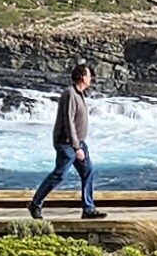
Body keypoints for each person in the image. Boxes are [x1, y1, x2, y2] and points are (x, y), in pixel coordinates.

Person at [30, 62, 103, 219]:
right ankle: (35, 203)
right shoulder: (70, 94)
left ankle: (88, 209)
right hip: (67, 143)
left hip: (78, 143)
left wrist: (79, 145)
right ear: (83, 77)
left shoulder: (79, 94)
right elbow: (68, 121)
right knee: (60, 174)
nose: (91, 79)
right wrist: (76, 147)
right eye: (89, 75)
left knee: (88, 170)